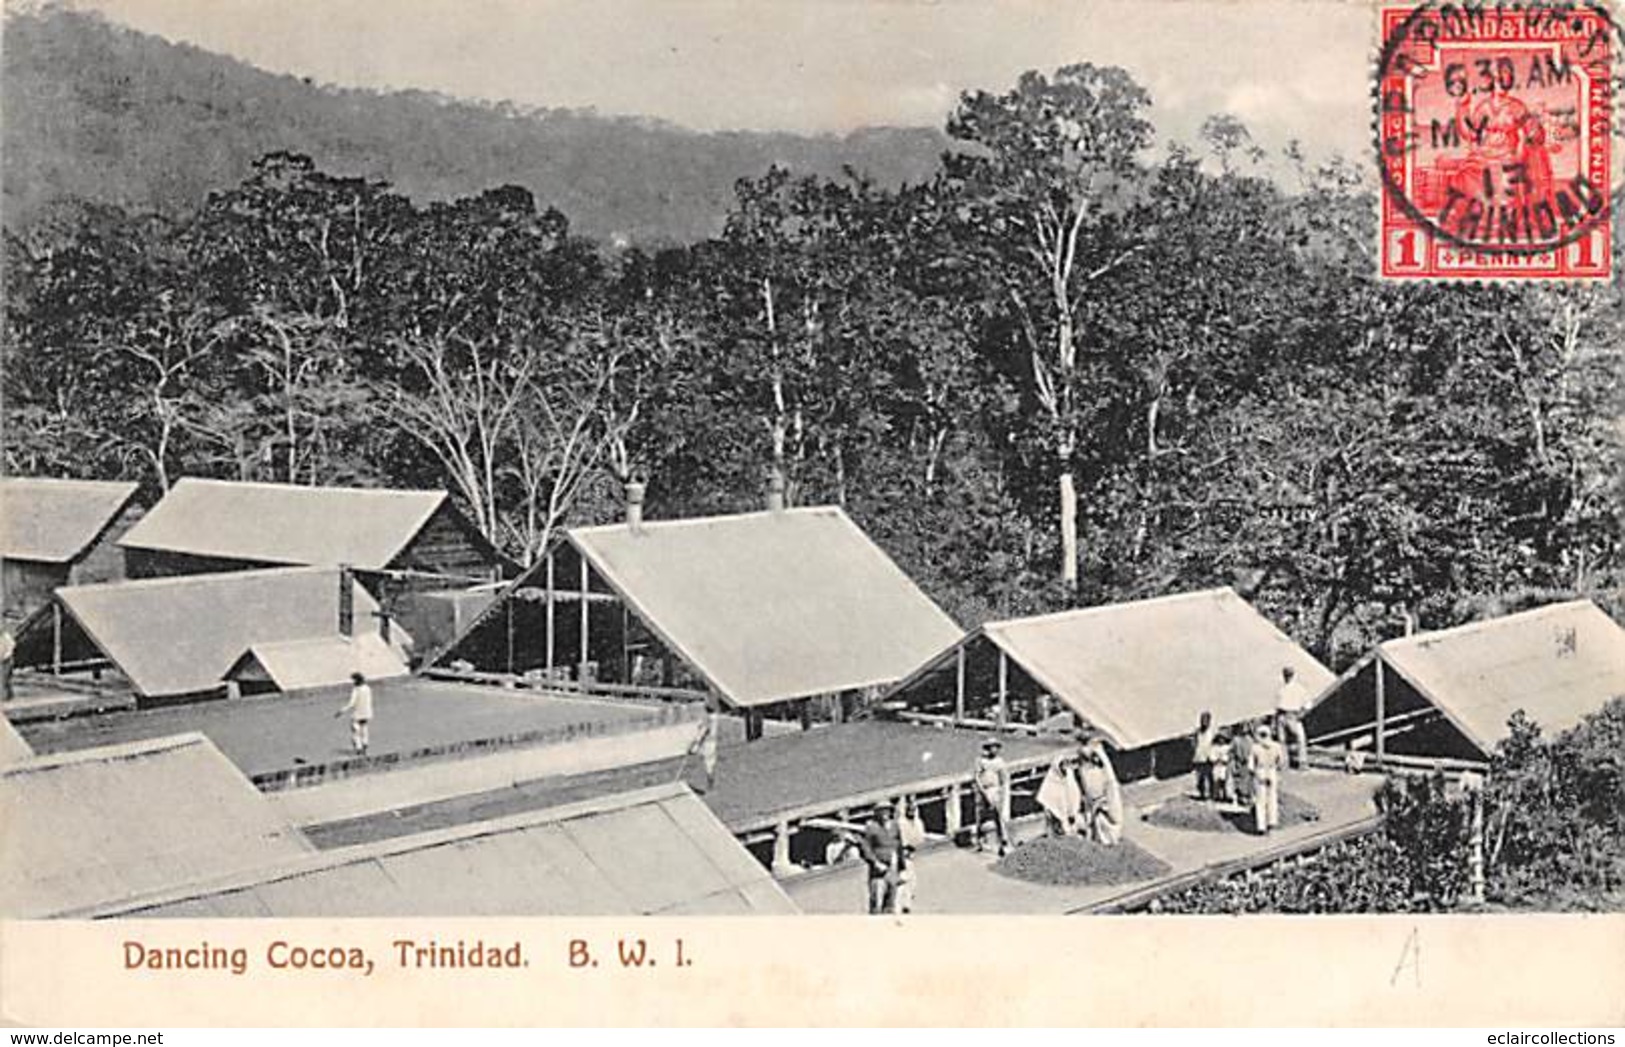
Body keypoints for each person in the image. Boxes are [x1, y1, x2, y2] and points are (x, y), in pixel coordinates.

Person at [856, 804, 903, 915]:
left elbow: (899, 844)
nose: (884, 814)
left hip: (893, 865)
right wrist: (875, 862)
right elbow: (866, 847)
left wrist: (902, 866)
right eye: (881, 811)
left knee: (891, 898)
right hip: (878, 869)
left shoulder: (895, 826)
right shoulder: (872, 828)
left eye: (887, 811)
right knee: (876, 898)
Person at [1078, 739, 1124, 846]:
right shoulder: (1086, 770)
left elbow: (1110, 780)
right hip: (1094, 802)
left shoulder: (1106, 776)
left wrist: (1099, 752)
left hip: (1104, 802)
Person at [972, 738, 1012, 856]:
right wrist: (982, 791)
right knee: (980, 817)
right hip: (982, 790)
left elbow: (1004, 779)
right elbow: (976, 777)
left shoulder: (1000, 762)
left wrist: (1000, 793)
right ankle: (979, 840)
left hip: (995, 790)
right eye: (991, 747)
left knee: (999, 817)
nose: (993, 749)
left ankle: (1002, 842)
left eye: (995, 747)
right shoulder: (980, 761)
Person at [1249, 722, 1286, 835]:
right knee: (1272, 798)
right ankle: (1272, 822)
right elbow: (1281, 762)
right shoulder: (1276, 746)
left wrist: (1253, 774)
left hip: (1260, 772)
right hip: (1272, 771)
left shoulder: (1255, 748)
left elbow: (1250, 766)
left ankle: (1261, 826)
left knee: (1260, 801)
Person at [893, 797, 927, 915]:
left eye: (913, 810)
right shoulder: (901, 823)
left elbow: (920, 839)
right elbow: (900, 840)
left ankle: (907, 904)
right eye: (909, 810)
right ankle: (902, 905)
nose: (911, 812)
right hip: (903, 854)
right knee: (903, 880)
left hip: (914, 854)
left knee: (912, 881)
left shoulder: (918, 823)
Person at [1036, 754, 1082, 836]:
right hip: (1057, 818)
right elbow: (1047, 800)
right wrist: (1056, 814)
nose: (1064, 768)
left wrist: (1073, 811)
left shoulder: (1069, 777)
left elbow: (1074, 794)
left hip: (1072, 815)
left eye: (1065, 765)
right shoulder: (1052, 780)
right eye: (1062, 765)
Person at [1275, 666, 1311, 770]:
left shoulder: (1282, 690)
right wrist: (1301, 714)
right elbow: (1308, 705)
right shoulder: (1299, 689)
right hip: (1291, 715)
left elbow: (1277, 707)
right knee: (1300, 740)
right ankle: (1301, 763)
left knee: (1283, 741)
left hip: (1284, 715)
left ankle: (1284, 763)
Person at [335, 671, 374, 756]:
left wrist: (341, 711)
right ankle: (365, 745)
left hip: (357, 714)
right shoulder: (367, 688)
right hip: (367, 713)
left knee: (355, 732)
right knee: (364, 729)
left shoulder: (356, 690)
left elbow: (351, 704)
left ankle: (358, 748)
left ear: (356, 680)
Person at [687, 711, 720, 793]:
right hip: (711, 742)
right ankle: (709, 783)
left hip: (708, 743)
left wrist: (695, 745)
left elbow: (704, 732)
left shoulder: (709, 720)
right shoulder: (714, 718)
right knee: (709, 763)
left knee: (708, 762)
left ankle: (709, 783)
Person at [1192, 710, 1217, 801]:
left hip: (1209, 757)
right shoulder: (1197, 732)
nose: (1204, 722)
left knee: (1210, 776)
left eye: (1206, 720)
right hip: (1199, 757)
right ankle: (1202, 793)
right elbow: (1195, 743)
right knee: (1200, 777)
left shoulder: (1212, 732)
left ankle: (1211, 794)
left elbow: (1214, 744)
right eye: (1202, 720)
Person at [1230, 720, 1255, 809]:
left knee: (1248, 780)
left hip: (1248, 763)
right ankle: (1240, 797)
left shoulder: (1250, 740)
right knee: (1239, 779)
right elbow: (1232, 752)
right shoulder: (1236, 740)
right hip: (1239, 762)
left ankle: (1248, 797)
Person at [1211, 730, 1232, 803]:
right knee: (1216, 781)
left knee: (1224, 781)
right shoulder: (1214, 747)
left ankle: (1226, 795)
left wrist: (1224, 759)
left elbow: (1229, 757)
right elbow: (1212, 756)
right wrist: (1216, 759)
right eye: (1220, 738)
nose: (1221, 740)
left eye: (1223, 738)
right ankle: (1217, 796)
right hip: (1217, 766)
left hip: (1224, 766)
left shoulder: (1227, 747)